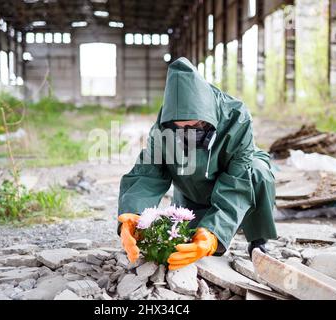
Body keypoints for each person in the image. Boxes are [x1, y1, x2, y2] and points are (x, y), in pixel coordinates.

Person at [117, 57, 277, 271]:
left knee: (257, 171)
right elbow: (148, 172)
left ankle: (258, 239)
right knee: (190, 240)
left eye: (195, 125)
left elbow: (238, 181)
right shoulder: (163, 128)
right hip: (193, 188)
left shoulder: (238, 118)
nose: (188, 132)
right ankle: (206, 223)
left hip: (235, 177)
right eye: (180, 127)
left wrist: (214, 234)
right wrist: (133, 214)